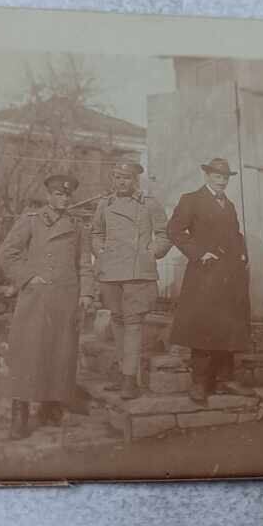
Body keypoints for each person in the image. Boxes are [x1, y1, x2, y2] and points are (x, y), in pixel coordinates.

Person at [0, 174, 95, 440]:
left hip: (66, 299)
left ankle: (50, 407)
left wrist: (86, 293)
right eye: (58, 194)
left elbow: (85, 263)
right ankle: (19, 413)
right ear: (48, 195)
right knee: (27, 353)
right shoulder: (31, 221)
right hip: (36, 298)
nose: (63, 199)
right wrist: (29, 277)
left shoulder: (77, 226)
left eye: (67, 195)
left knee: (60, 354)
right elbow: (8, 253)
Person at [167, 158, 254, 404]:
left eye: (225, 176)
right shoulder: (191, 200)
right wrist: (198, 253)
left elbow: (236, 234)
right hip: (205, 273)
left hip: (229, 275)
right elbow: (174, 230)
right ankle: (200, 382)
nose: (221, 179)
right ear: (207, 175)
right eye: (217, 175)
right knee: (203, 327)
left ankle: (225, 379)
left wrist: (242, 252)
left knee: (228, 326)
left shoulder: (230, 205)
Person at [91, 161, 172, 399]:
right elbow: (96, 233)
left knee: (133, 323)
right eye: (116, 177)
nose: (120, 182)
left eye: (126, 177)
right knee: (117, 320)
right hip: (112, 270)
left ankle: (129, 379)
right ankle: (122, 370)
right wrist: (101, 252)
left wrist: (153, 253)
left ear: (135, 180)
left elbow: (165, 234)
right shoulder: (105, 204)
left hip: (138, 271)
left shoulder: (149, 204)